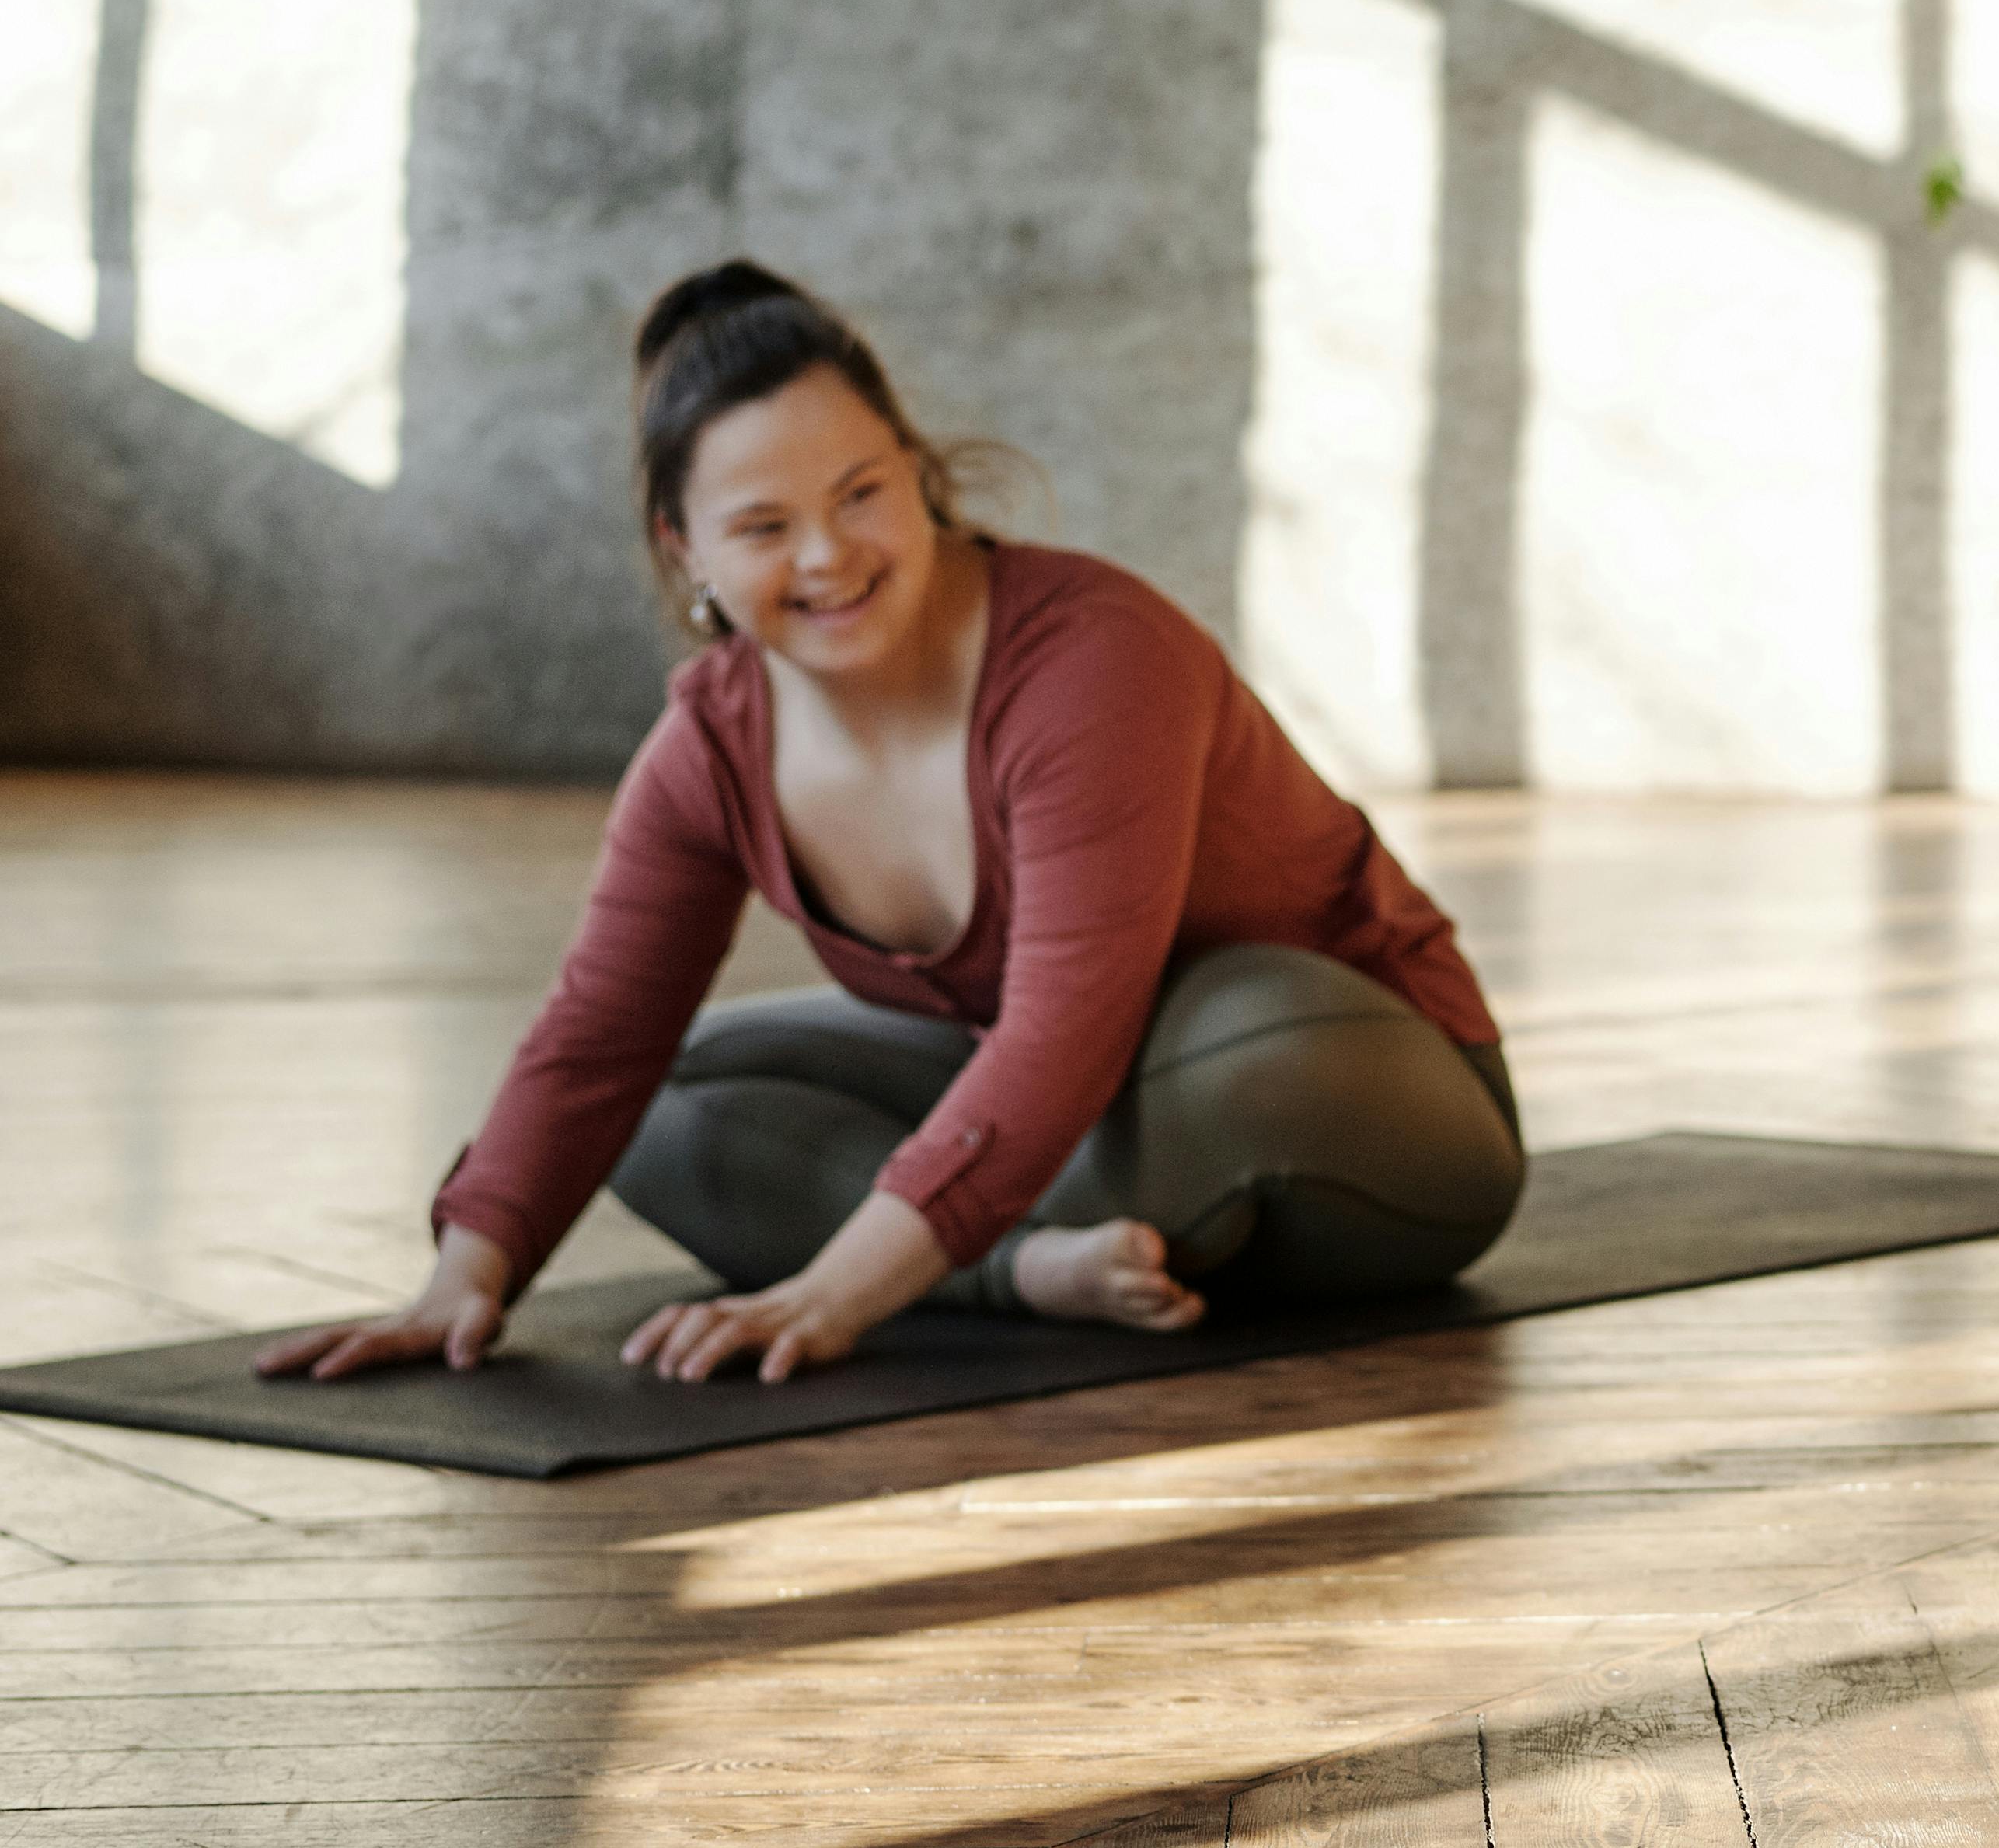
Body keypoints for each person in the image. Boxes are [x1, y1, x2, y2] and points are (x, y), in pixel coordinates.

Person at [261, 263, 1526, 1390]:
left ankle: (942, 1250)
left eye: (860, 492)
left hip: (1366, 1109)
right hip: (1094, 1133)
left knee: (1243, 1029)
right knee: (660, 1098)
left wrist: (830, 1294)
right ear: (684, 546)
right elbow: (598, 1034)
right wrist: (464, 1279)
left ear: (918, 473)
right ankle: (1025, 1268)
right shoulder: (711, 744)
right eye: (762, 527)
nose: (827, 554)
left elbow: (1063, 1030)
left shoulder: (1093, 659)